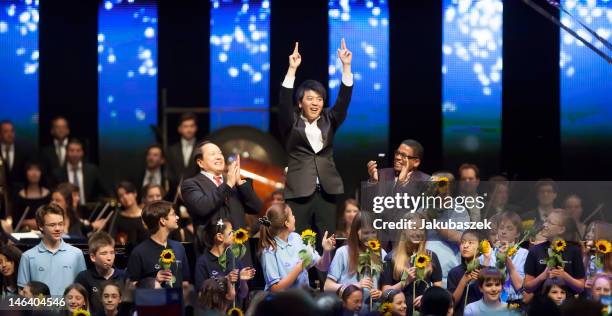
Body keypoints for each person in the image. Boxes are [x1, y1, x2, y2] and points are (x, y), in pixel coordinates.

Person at [279, 39, 353, 243]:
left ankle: (325, 277)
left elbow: (343, 101)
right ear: (300, 102)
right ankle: (299, 276)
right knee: (296, 240)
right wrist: (292, 69)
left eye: (319, 99)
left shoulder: (329, 119)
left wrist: (346, 66)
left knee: (326, 241)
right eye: (310, 98)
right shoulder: (290, 122)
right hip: (298, 191)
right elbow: (284, 102)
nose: (315, 103)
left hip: (327, 191)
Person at [181, 140, 262, 262]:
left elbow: (256, 208)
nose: (219, 157)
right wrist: (228, 184)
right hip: (212, 254)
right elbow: (202, 207)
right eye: (213, 154)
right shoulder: (191, 184)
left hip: (240, 253)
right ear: (200, 162)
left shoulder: (233, 181)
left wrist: (240, 182)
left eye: (220, 153)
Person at [260, 203, 335, 291]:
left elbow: (323, 266)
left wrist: (326, 251)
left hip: (302, 298)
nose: (294, 217)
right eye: (292, 215)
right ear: (286, 223)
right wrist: (300, 266)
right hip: (281, 302)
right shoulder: (270, 251)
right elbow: (275, 289)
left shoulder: (296, 238)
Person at [17, 203, 87, 295]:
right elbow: (22, 291)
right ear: (41, 226)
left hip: (68, 308)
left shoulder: (76, 254)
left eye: (60, 224)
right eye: (52, 225)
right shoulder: (28, 256)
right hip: (39, 309)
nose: (58, 228)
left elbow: (83, 288)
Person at [382, 213, 442, 316]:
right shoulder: (391, 258)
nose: (418, 233)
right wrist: (404, 282)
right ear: (404, 230)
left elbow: (439, 289)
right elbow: (385, 293)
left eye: (421, 229)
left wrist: (427, 297)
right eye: (414, 228)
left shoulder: (431, 256)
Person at [324, 211, 385, 313]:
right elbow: (327, 286)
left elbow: (385, 285)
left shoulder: (381, 253)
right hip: (349, 308)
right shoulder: (343, 252)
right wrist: (355, 285)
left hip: (374, 308)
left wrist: (380, 293)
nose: (370, 236)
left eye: (373, 232)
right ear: (356, 231)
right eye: (365, 232)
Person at [127, 200, 190, 289]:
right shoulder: (139, 252)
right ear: (163, 221)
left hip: (177, 301)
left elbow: (185, 282)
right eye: (173, 214)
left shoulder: (179, 247)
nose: (177, 217)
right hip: (153, 301)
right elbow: (131, 287)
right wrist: (154, 281)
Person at [524, 210, 585, 296]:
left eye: (550, 223)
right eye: (545, 221)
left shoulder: (574, 251)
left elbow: (580, 287)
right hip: (541, 304)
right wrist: (542, 276)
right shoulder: (535, 250)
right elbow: (527, 287)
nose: (544, 225)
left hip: (567, 306)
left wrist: (565, 276)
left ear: (561, 230)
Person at [194, 217, 255, 298]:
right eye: (231, 231)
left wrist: (243, 280)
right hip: (215, 309)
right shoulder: (203, 262)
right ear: (220, 237)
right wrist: (226, 279)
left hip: (234, 309)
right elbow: (201, 295)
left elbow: (243, 294)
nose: (234, 234)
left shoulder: (234, 259)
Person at [480, 211, 530, 304]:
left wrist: (510, 266)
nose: (503, 231)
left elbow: (524, 288)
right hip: (491, 304)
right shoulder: (487, 254)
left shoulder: (525, 255)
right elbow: (482, 285)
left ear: (517, 233)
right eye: (501, 228)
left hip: (516, 303)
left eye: (509, 228)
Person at [75, 231, 126, 314]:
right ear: (93, 257)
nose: (109, 258)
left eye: (112, 253)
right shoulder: (83, 278)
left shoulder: (124, 276)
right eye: (104, 253)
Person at [51, 138, 107, 204]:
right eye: (72, 150)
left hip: (89, 210)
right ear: (66, 152)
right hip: (67, 210)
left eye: (78, 150)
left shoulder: (92, 170)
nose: (75, 154)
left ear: (82, 152)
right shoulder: (57, 173)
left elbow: (102, 191)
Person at [446, 230, 483, 316]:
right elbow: (451, 304)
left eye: (470, 243)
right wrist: (463, 281)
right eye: (462, 242)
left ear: (480, 247)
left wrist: (482, 279)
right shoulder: (454, 272)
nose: (465, 246)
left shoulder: (485, 271)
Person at [11, 162, 51, 231]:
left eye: (37, 170)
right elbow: (15, 221)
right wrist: (27, 222)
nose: (34, 173)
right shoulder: (19, 195)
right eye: (30, 169)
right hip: (24, 233)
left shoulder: (48, 195)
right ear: (25, 172)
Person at [109, 181, 148, 246]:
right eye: (121, 196)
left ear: (135, 193)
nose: (125, 197)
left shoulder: (146, 214)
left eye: (127, 193)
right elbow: (112, 238)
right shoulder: (117, 217)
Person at [167, 112, 200, 180]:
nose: (189, 130)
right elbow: (169, 172)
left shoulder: (202, 148)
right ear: (179, 129)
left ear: (196, 128)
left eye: (192, 126)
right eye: (185, 126)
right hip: (176, 188)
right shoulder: (172, 150)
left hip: (198, 188)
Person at [0, 120, 31, 190]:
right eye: (6, 131)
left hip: (20, 192)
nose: (10, 134)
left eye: (12, 131)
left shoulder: (25, 150)